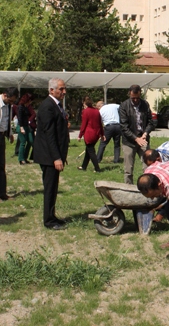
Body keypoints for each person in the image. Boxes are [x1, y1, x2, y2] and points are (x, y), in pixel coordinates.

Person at [33, 78, 70, 230]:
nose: (64, 92)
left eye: (64, 88)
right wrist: (56, 157)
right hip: (48, 156)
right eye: (61, 89)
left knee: (54, 187)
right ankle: (48, 220)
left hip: (54, 155)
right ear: (51, 90)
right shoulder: (47, 107)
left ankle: (52, 215)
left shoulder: (56, 105)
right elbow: (50, 135)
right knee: (49, 188)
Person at [119, 84, 155, 185]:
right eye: (133, 98)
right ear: (129, 94)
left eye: (137, 98)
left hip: (143, 139)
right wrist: (136, 138)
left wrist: (146, 133)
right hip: (129, 141)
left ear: (140, 94)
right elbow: (124, 127)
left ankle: (148, 188)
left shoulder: (145, 104)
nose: (135, 100)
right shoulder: (124, 106)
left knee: (148, 166)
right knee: (128, 169)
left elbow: (151, 122)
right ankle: (128, 189)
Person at [77, 97, 103, 172]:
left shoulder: (85, 111)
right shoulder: (96, 111)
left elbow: (83, 125)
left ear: (85, 104)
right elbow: (100, 123)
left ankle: (97, 168)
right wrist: (102, 134)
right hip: (96, 134)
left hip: (89, 135)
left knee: (91, 151)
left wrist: (80, 135)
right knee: (88, 150)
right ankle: (84, 166)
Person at [16, 93, 34, 165]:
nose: (31, 102)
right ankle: (21, 159)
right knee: (23, 142)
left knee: (30, 141)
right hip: (21, 126)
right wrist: (21, 127)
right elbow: (19, 118)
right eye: (30, 100)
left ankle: (25, 157)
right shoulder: (20, 107)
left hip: (27, 126)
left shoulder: (26, 107)